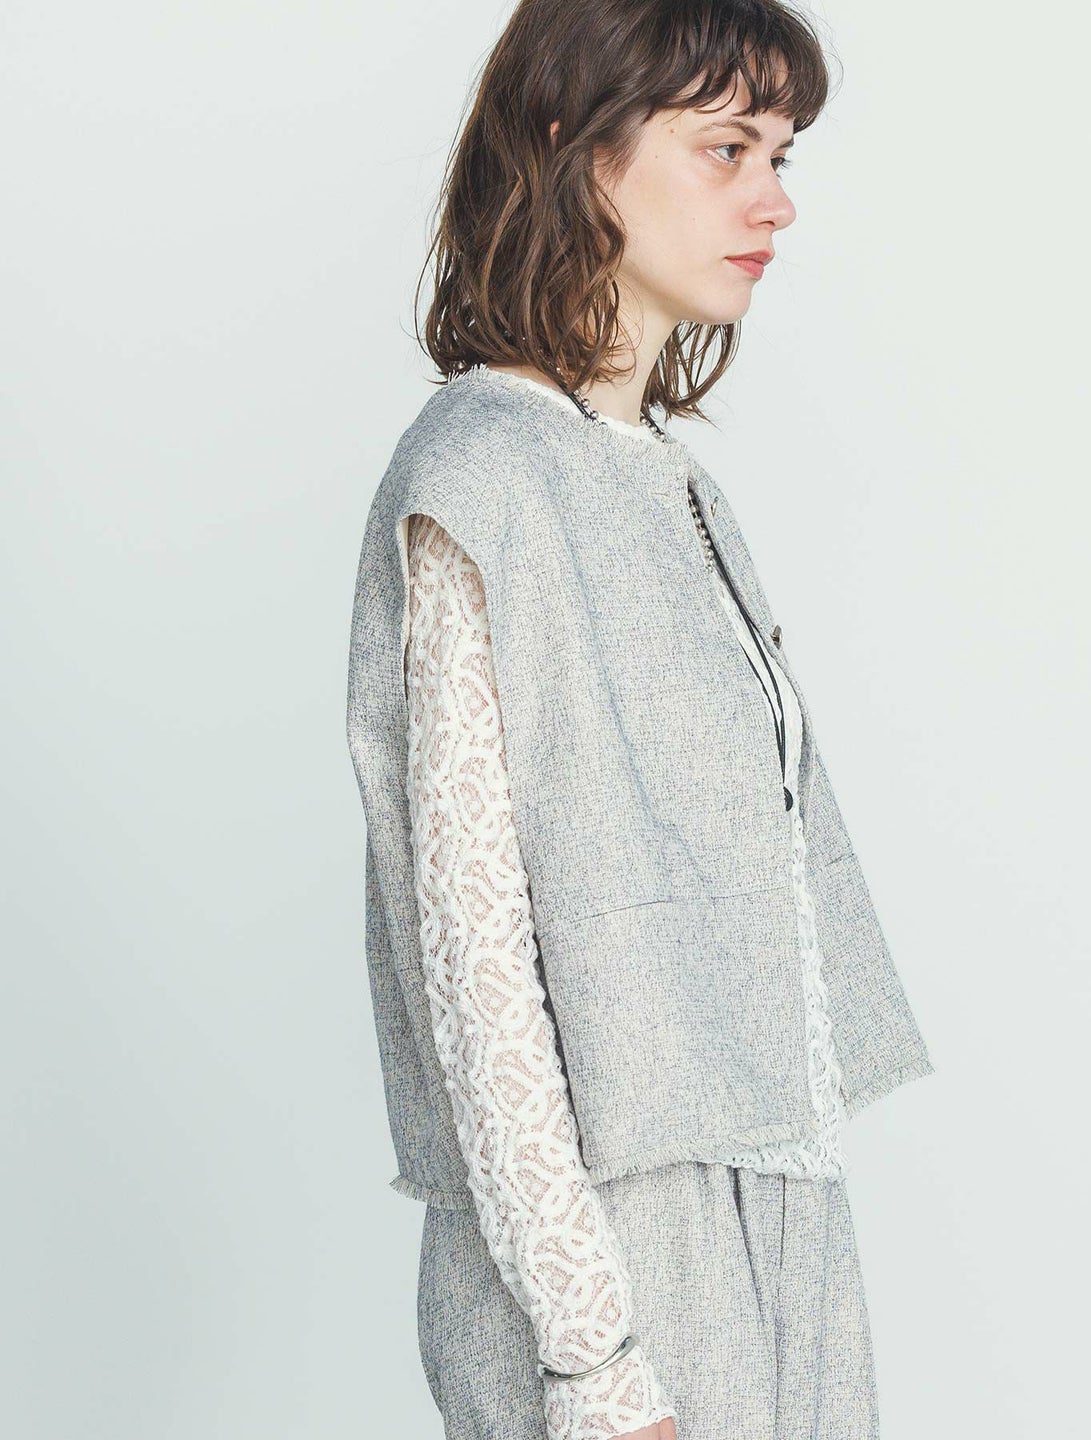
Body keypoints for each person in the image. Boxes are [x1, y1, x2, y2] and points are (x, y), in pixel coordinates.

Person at [345, 3, 935, 1437]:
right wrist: (596, 1360)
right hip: (610, 1259)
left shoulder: (669, 481)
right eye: (726, 148)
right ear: (577, 148)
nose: (774, 202)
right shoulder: (481, 477)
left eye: (782, 154)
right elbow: (475, 966)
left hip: (777, 1203)